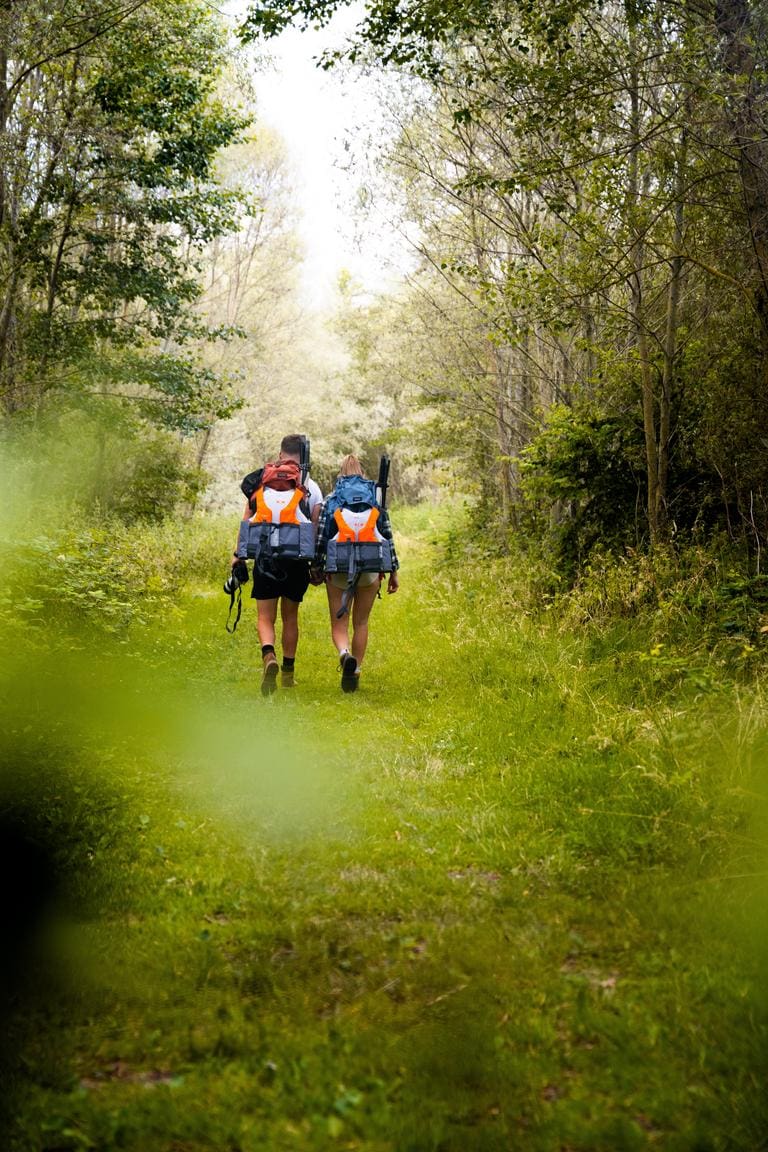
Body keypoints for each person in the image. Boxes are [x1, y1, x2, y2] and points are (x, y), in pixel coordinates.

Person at [231, 434, 323, 695]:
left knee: (265, 616)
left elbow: (247, 519)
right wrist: (315, 564)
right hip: (295, 560)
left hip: (264, 557)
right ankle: (288, 675)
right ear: (304, 457)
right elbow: (314, 528)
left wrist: (237, 555)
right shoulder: (310, 487)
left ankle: (268, 655)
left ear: (281, 455)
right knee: (290, 617)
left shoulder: (262, 483)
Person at [314, 454, 399, 693]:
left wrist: (317, 566)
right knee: (361, 622)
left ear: (340, 473)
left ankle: (344, 654)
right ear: (362, 472)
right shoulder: (376, 497)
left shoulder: (333, 499)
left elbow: (322, 537)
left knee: (338, 624)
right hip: (371, 567)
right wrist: (393, 571)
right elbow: (387, 536)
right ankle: (357, 669)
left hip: (339, 567)